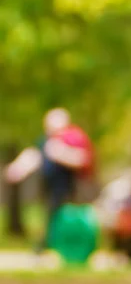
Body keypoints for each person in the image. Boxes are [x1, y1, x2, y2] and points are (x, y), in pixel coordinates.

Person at [5, 107, 95, 251]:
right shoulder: (47, 140)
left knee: (67, 219)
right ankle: (48, 245)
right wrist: (18, 169)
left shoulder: (73, 138)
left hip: (72, 189)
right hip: (51, 189)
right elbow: (33, 155)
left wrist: (62, 154)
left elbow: (83, 159)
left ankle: (67, 248)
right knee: (51, 216)